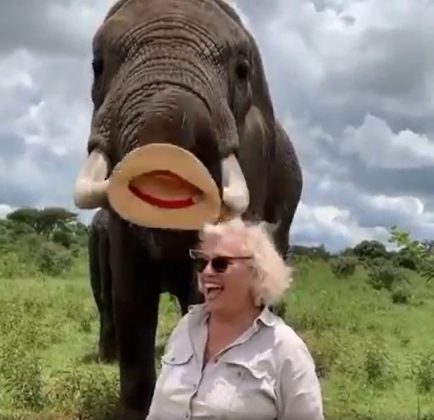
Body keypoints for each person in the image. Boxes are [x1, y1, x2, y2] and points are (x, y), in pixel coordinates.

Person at [146, 217, 324, 419]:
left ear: (256, 272)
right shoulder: (187, 327)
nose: (207, 272)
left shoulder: (285, 349)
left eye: (220, 264)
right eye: (202, 263)